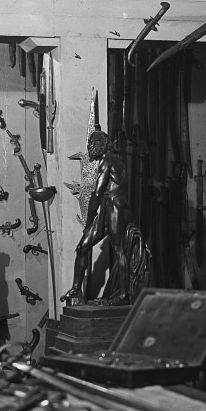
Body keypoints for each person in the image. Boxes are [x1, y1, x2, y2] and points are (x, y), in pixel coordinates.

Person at [62, 129, 132, 305]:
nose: (89, 149)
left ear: (100, 145)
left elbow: (97, 194)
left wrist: (88, 220)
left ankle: (123, 295)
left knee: (119, 250)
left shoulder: (108, 161)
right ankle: (76, 290)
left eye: (92, 145)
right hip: (108, 210)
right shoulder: (113, 160)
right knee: (82, 247)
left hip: (115, 209)